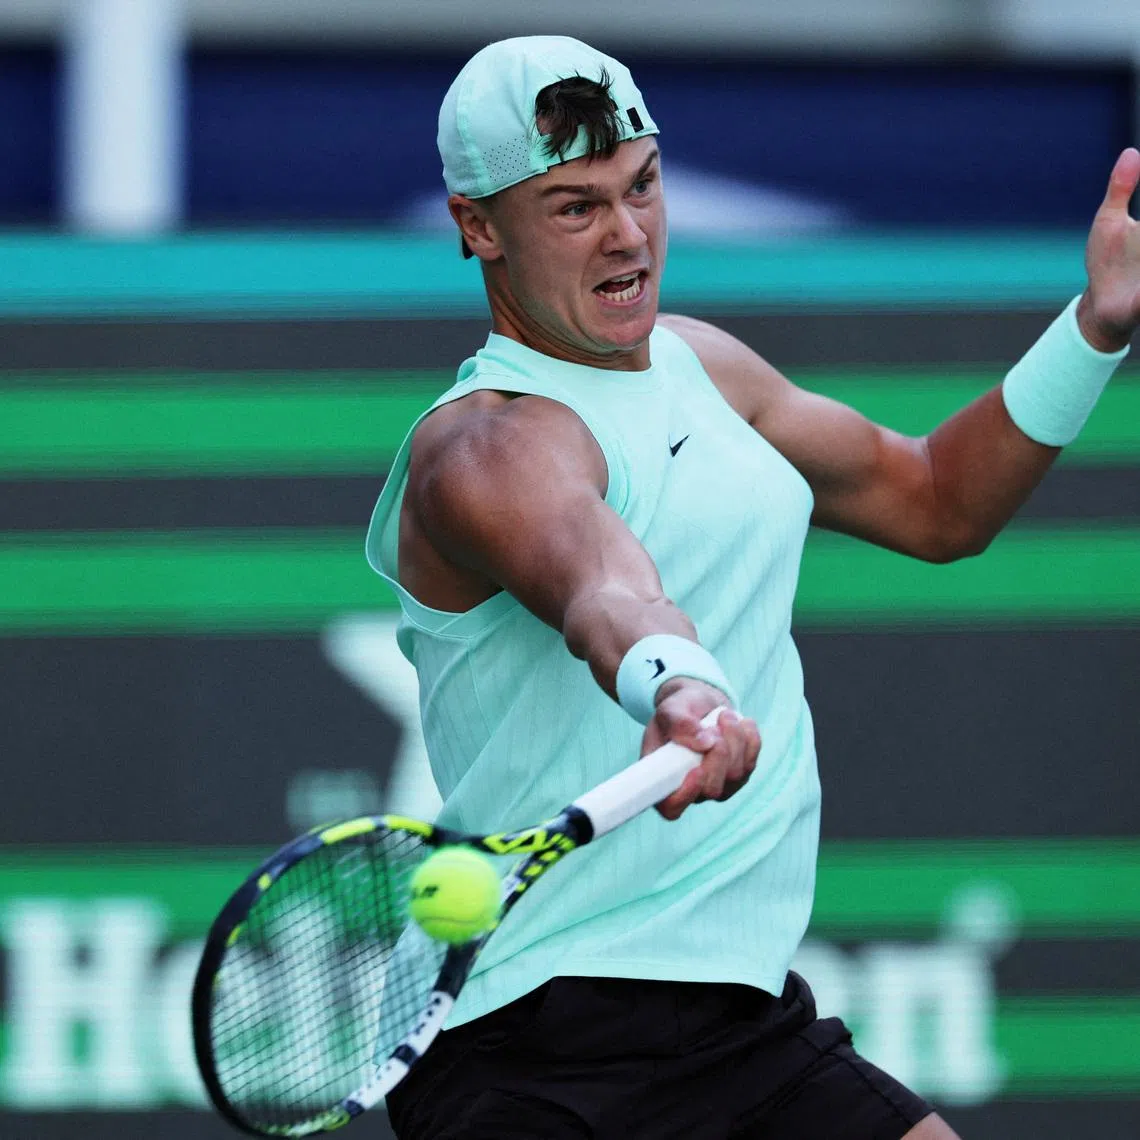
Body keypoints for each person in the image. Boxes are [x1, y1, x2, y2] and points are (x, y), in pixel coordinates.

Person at [365, 35, 1138, 1140]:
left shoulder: (704, 369)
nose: (629, 233)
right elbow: (602, 585)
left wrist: (1096, 328)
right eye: (575, 207)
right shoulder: (480, 448)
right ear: (478, 226)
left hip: (737, 1024)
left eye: (642, 185)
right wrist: (676, 684)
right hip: (529, 1042)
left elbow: (936, 501)